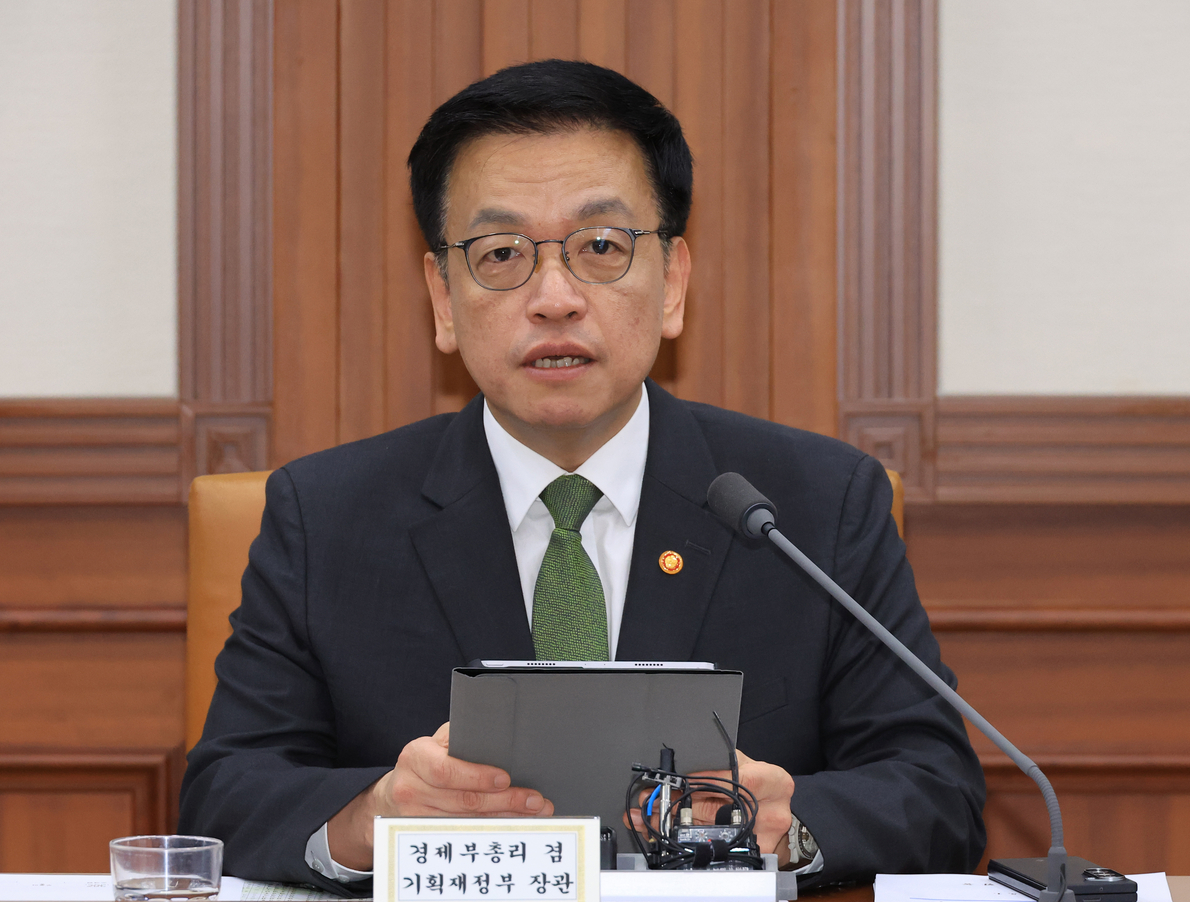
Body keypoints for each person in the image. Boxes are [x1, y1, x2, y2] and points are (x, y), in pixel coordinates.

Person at [178, 59, 985, 895]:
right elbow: (225, 795)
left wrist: (787, 828)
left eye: (601, 246)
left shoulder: (815, 504)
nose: (554, 297)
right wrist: (370, 817)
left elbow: (938, 791)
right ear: (443, 300)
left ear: (673, 282)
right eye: (501, 254)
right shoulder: (326, 517)